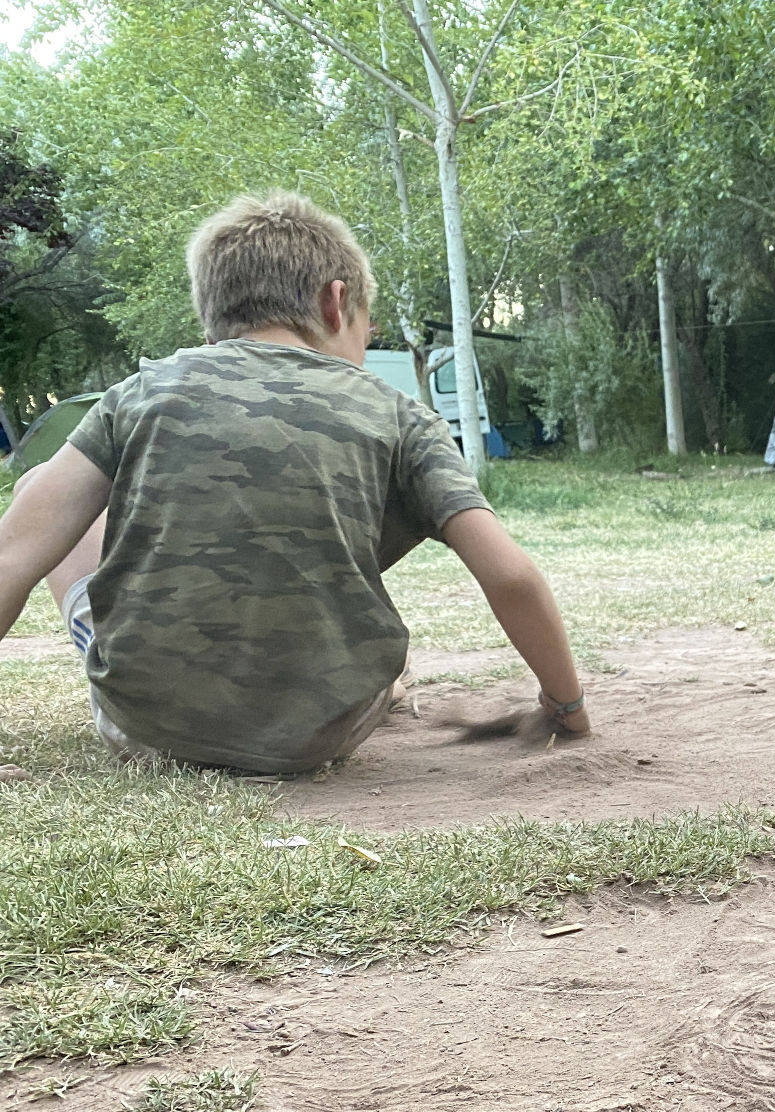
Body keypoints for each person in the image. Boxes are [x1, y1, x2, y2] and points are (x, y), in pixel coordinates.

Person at [0, 190, 590, 774]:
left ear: (213, 318)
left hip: (146, 728)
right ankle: (370, 678)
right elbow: (510, 576)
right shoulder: (398, 415)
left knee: (36, 493)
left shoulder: (138, 395)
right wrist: (566, 706)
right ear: (336, 303)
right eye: (366, 328)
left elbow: (11, 558)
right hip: (326, 732)